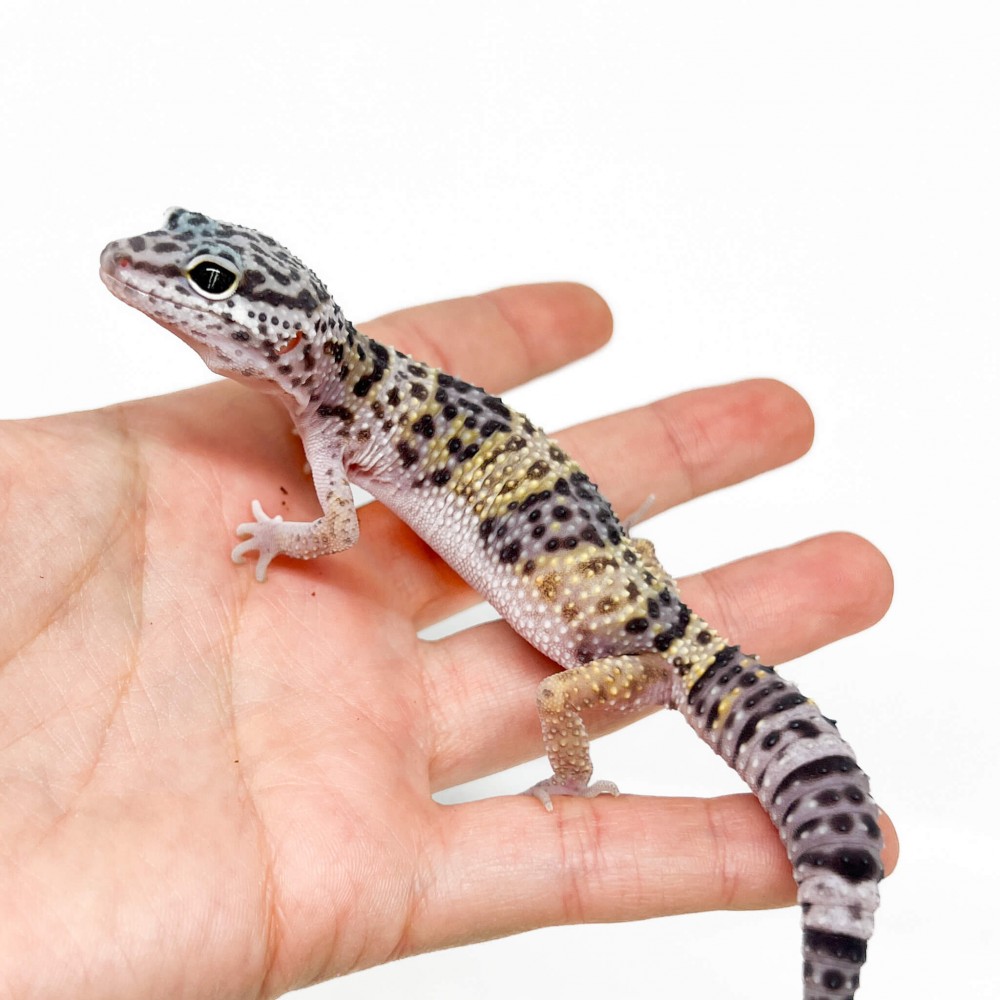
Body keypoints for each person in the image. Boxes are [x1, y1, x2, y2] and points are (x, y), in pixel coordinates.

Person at [0, 282, 896, 997]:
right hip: (639, 598)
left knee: (554, 694)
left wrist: (280, 537)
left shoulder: (334, 422)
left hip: (635, 648)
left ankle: (582, 782)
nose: (165, 287)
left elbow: (339, 532)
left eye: (208, 283)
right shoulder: (352, 395)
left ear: (286, 340)